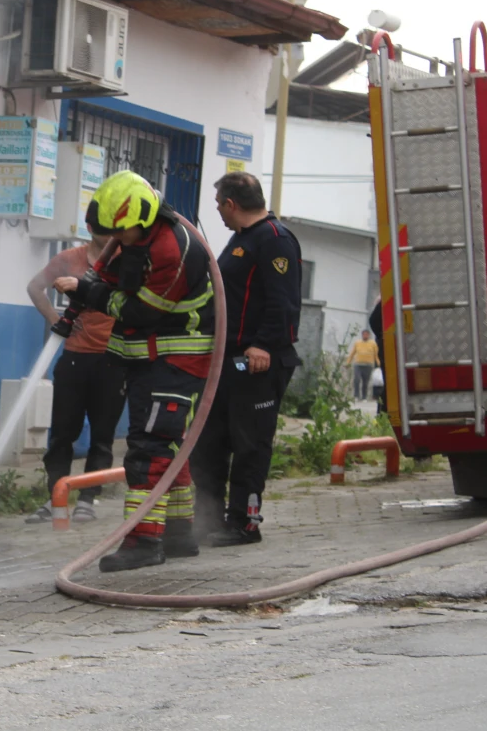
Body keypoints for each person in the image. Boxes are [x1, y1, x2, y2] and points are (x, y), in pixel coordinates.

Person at [53, 170, 214, 571]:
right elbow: (114, 276)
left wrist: (89, 292)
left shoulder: (173, 251)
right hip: (153, 361)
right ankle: (178, 535)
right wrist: (86, 287)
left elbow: (140, 310)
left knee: (149, 450)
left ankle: (143, 543)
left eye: (118, 234)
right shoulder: (139, 236)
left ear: (139, 221)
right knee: (170, 449)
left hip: (175, 361)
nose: (114, 242)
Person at [190, 172, 302, 547]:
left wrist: (264, 346)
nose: (218, 212)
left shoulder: (274, 240)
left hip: (256, 363)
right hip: (228, 361)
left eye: (219, 204)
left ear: (231, 204)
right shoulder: (241, 241)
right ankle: (209, 518)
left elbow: (282, 301)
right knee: (210, 444)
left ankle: (244, 523)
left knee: (250, 446)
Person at [23, 222, 125, 525]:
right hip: (74, 358)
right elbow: (34, 286)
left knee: (102, 437)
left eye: (115, 229)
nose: (110, 235)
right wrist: (57, 320)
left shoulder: (127, 261)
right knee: (62, 433)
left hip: (113, 359)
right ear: (91, 227)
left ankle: (88, 499)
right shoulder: (71, 258)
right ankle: (56, 495)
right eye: (103, 228)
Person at [345, 329, 380, 401]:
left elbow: (376, 355)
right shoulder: (357, 343)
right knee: (357, 380)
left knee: (365, 382)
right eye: (364, 334)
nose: (365, 336)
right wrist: (348, 362)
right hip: (358, 364)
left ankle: (364, 397)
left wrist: (378, 364)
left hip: (368, 365)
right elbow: (352, 353)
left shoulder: (373, 344)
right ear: (362, 335)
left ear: (369, 335)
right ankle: (356, 396)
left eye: (366, 334)